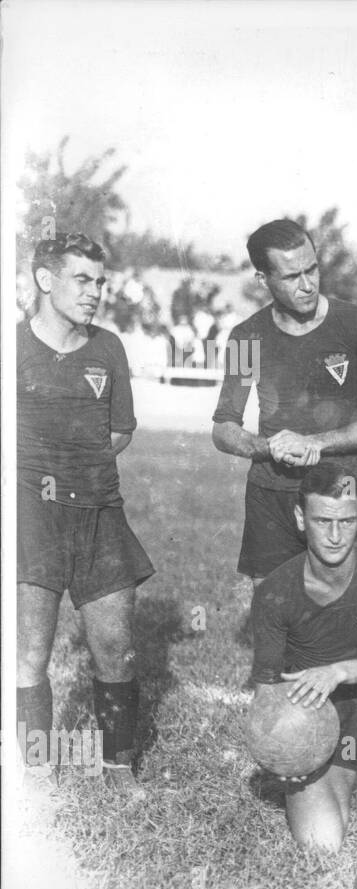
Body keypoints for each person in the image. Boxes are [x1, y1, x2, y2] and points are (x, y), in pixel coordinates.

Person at [16, 233, 155, 786]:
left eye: (100, 281)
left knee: (116, 649)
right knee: (31, 650)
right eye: (83, 279)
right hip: (32, 512)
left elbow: (120, 431)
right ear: (45, 280)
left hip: (99, 508)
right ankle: (33, 772)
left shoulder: (109, 348)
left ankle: (117, 766)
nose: (95, 292)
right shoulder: (14, 346)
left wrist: (79, 469)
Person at [250, 464, 357, 853]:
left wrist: (339, 671)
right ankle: (344, 777)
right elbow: (266, 694)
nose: (334, 535)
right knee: (320, 843)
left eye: (346, 521)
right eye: (322, 521)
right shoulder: (274, 592)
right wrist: (285, 755)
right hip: (324, 730)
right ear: (300, 518)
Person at [212, 219, 357, 582]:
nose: (307, 284)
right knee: (275, 619)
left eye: (312, 269)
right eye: (291, 276)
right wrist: (267, 447)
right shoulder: (247, 337)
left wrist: (316, 443)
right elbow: (224, 427)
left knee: (351, 619)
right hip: (273, 496)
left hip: (342, 492)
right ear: (263, 280)